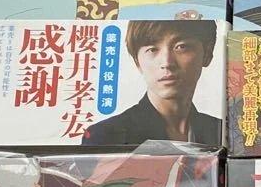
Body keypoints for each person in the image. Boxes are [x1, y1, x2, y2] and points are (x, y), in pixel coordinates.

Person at [82, 20, 221, 146]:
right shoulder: (106, 135)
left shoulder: (221, 132)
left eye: (181, 47)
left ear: (207, 54)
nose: (167, 63)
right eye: (152, 49)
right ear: (137, 62)